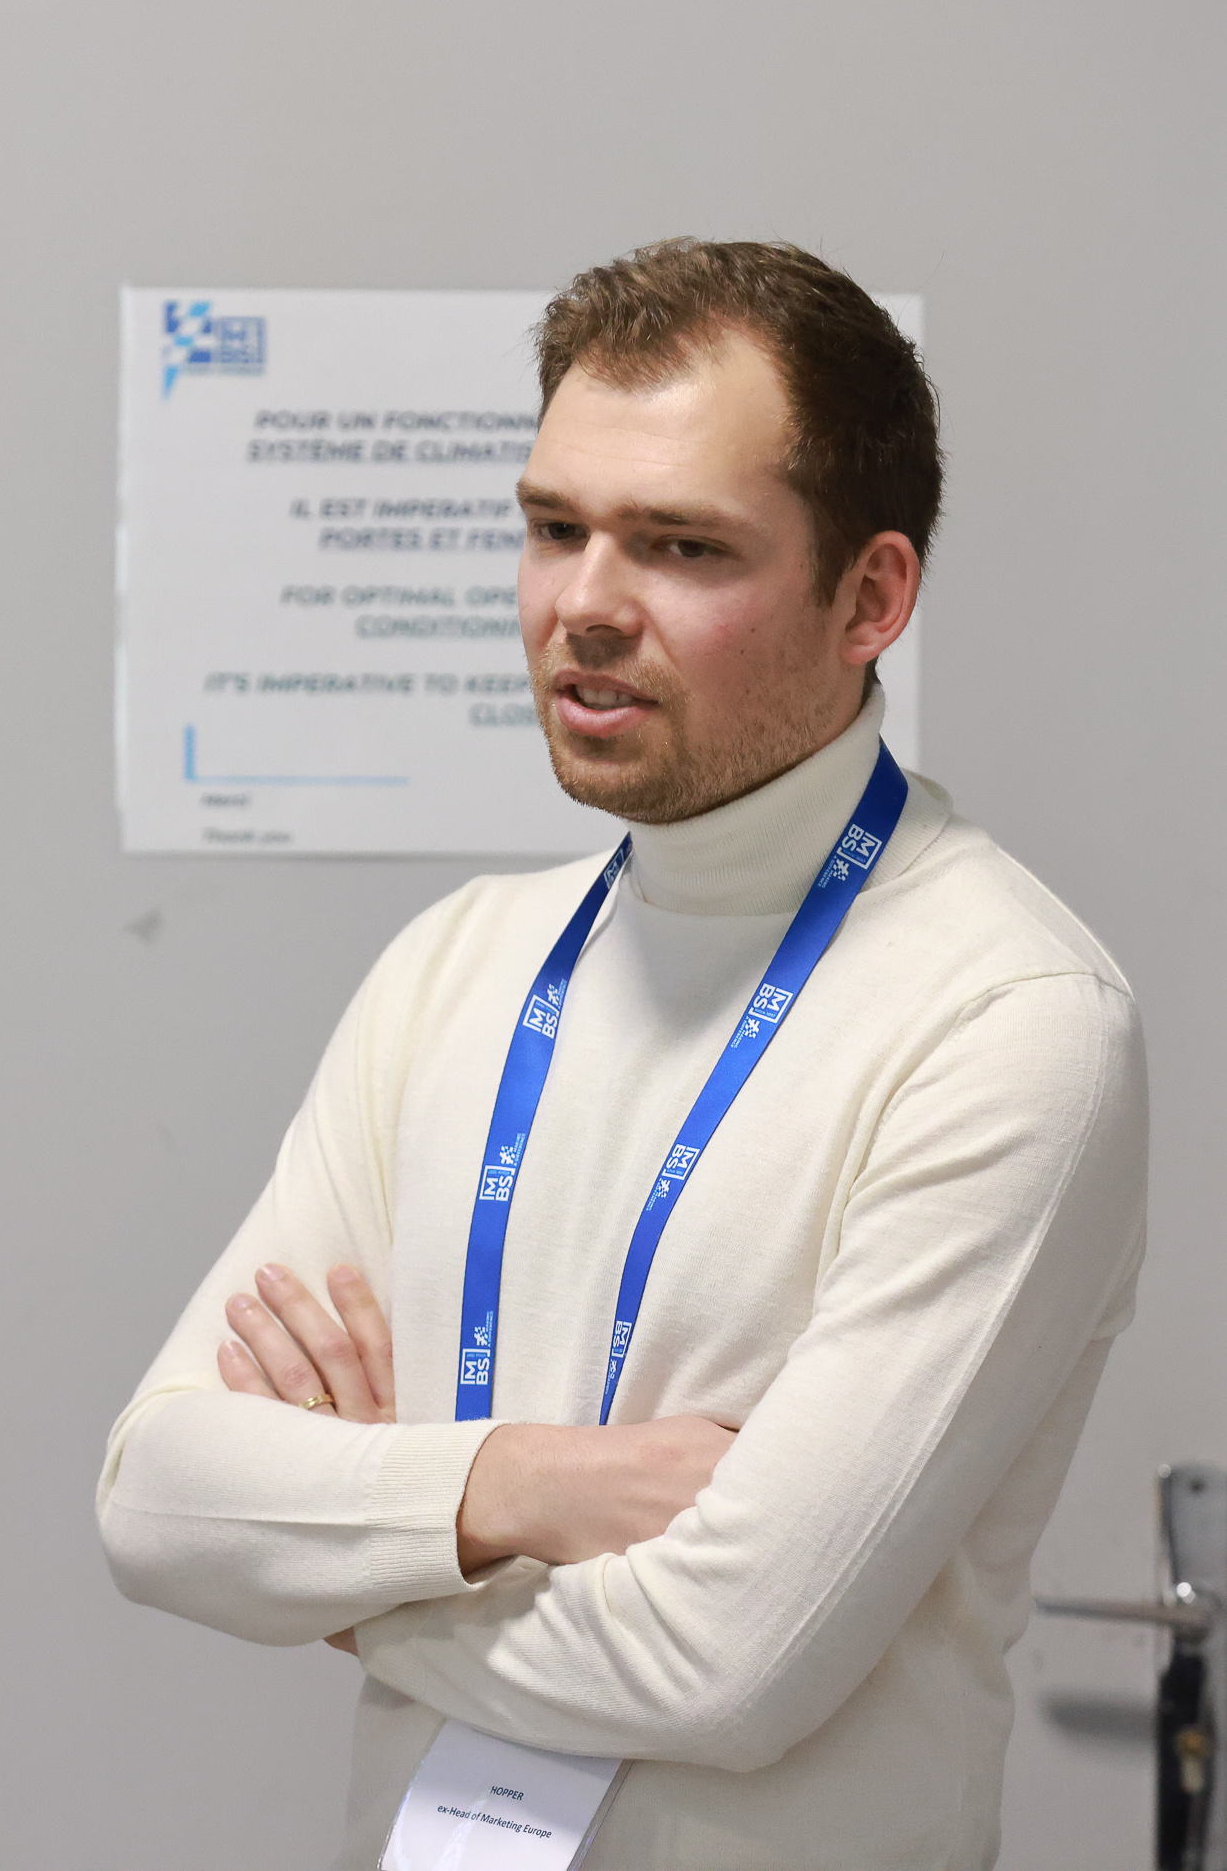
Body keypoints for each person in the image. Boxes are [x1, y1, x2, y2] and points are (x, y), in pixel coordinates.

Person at [98, 239, 1147, 1871]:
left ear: (870, 597)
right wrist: (519, 1486)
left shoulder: (1009, 1017)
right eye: (553, 526)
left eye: (679, 544)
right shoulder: (456, 963)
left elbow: (727, 1662)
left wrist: (349, 1569)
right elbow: (158, 1495)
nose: (584, 604)